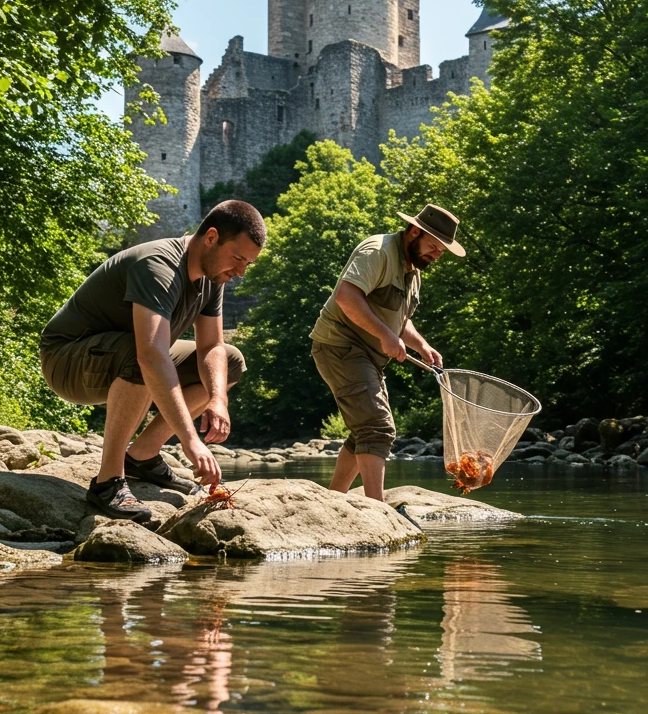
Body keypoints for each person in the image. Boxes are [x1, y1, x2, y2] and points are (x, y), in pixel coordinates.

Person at [40, 200, 266, 522]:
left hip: (118, 354)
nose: (241, 272)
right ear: (212, 238)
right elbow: (151, 356)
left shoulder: (212, 276)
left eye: (248, 264)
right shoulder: (159, 265)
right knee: (144, 354)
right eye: (239, 259)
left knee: (229, 361)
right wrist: (191, 443)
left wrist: (218, 398)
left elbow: (212, 346)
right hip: (66, 360)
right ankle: (108, 482)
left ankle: (142, 457)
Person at [310, 203, 464, 501]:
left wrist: (422, 345)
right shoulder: (377, 251)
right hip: (340, 345)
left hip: (367, 356)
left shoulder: (413, 269)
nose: (436, 254)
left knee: (363, 432)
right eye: (433, 246)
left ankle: (333, 500)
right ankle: (375, 509)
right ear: (414, 231)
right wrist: (385, 336)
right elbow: (346, 296)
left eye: (442, 251)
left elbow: (397, 318)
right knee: (377, 428)